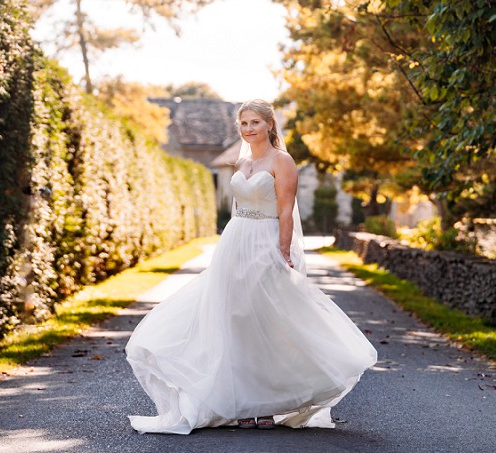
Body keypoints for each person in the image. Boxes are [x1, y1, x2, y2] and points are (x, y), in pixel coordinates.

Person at [126, 99, 377, 434]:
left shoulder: (282, 161)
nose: (248, 129)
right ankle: (242, 403)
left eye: (255, 122)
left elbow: (286, 210)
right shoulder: (241, 160)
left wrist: (283, 252)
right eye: (243, 123)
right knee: (235, 320)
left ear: (270, 125)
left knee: (267, 320)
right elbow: (236, 207)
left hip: (266, 242)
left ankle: (269, 405)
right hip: (235, 243)